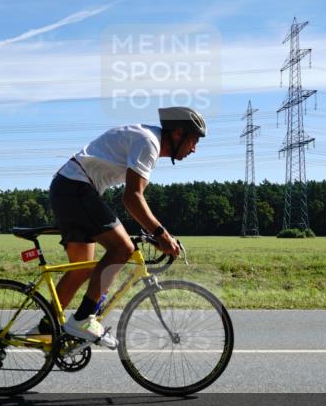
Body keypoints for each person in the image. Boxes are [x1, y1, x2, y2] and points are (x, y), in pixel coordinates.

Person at [47, 106, 207, 348]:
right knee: (122, 249)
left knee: (83, 269)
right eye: (193, 141)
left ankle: (46, 327)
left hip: (69, 187)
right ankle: (82, 320)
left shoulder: (146, 139)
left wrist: (152, 231)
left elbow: (134, 199)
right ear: (177, 134)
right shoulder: (149, 142)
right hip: (76, 187)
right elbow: (132, 197)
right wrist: (160, 233)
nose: (194, 149)